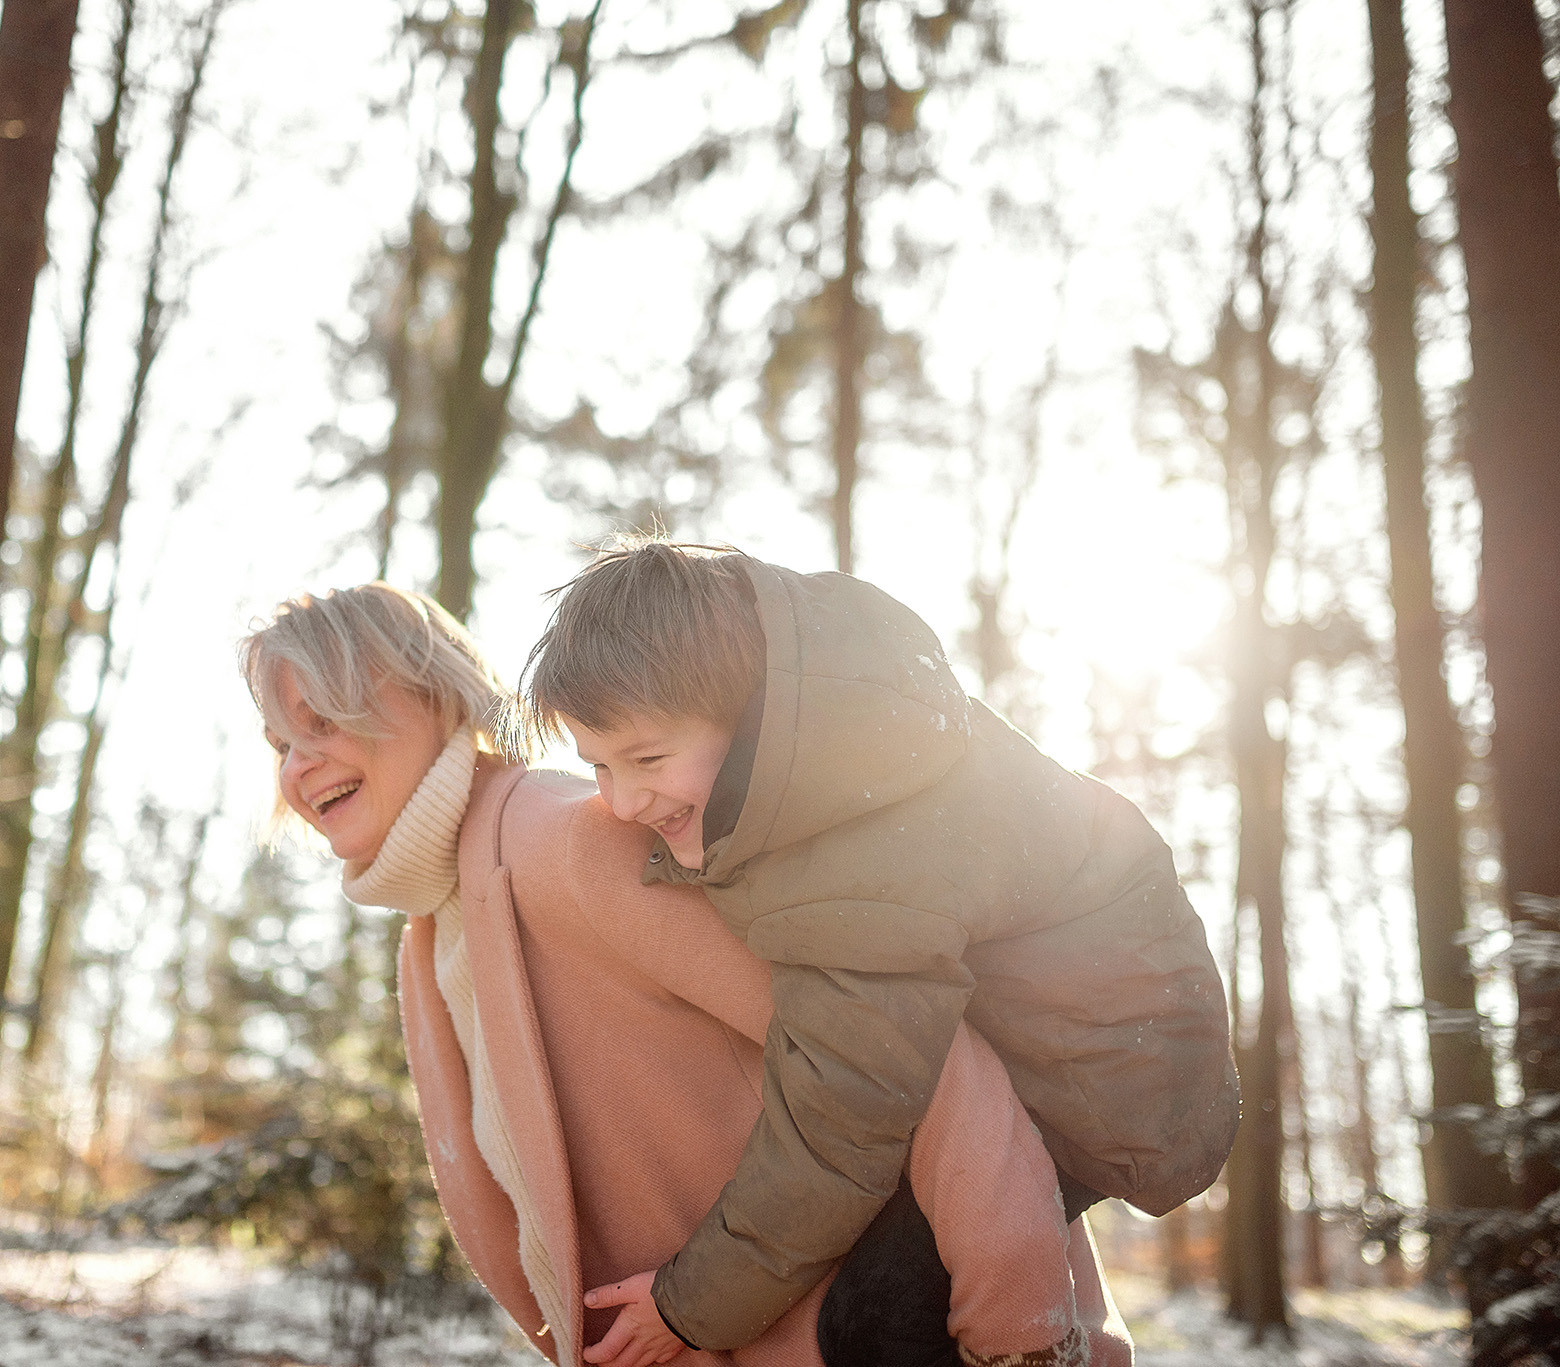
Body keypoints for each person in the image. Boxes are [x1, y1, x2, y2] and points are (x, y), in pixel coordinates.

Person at [241, 582, 1132, 1367]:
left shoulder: (565, 844)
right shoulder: (435, 930)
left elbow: (920, 1057)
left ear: (433, 694)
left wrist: (1030, 1339)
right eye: (281, 739)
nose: (296, 765)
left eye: (323, 718)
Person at [516, 541, 1240, 1362]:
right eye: (597, 766)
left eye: (647, 758)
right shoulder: (827, 735)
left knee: (878, 1319)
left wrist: (690, 1303)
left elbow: (840, 1120)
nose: (619, 800)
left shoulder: (856, 847)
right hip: (1088, 1009)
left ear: (751, 710)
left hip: (1113, 1073)